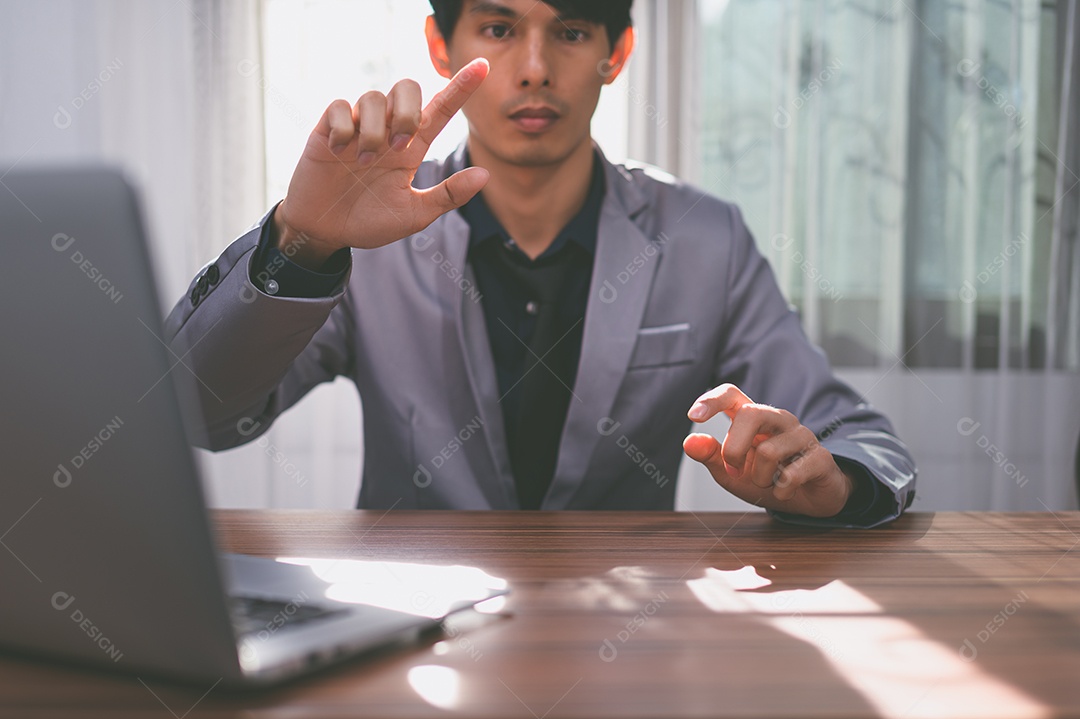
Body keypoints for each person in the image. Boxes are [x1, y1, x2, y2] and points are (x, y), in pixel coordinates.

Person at [165, 0, 915, 526]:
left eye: (571, 30)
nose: (533, 68)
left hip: (627, 647)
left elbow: (863, 438)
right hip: (410, 644)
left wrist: (835, 483)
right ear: (441, 45)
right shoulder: (367, 232)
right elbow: (197, 413)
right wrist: (302, 244)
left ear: (615, 52)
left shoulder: (704, 238)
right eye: (497, 26)